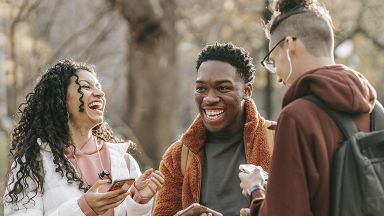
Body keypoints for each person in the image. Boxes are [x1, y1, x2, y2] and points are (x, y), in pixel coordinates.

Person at [239, 0, 378, 215]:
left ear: (289, 45)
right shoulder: (375, 110)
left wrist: (256, 191)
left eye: (273, 61)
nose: (277, 77)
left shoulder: (297, 118)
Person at [3, 59, 165, 216]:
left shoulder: (124, 161)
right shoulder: (33, 162)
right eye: (86, 87)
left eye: (99, 87)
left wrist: (138, 201)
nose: (100, 93)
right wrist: (83, 208)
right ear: (60, 100)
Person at [154, 42, 275, 215]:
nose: (209, 99)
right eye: (201, 88)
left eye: (223, 88)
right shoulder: (178, 156)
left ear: (247, 91)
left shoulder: (280, 141)